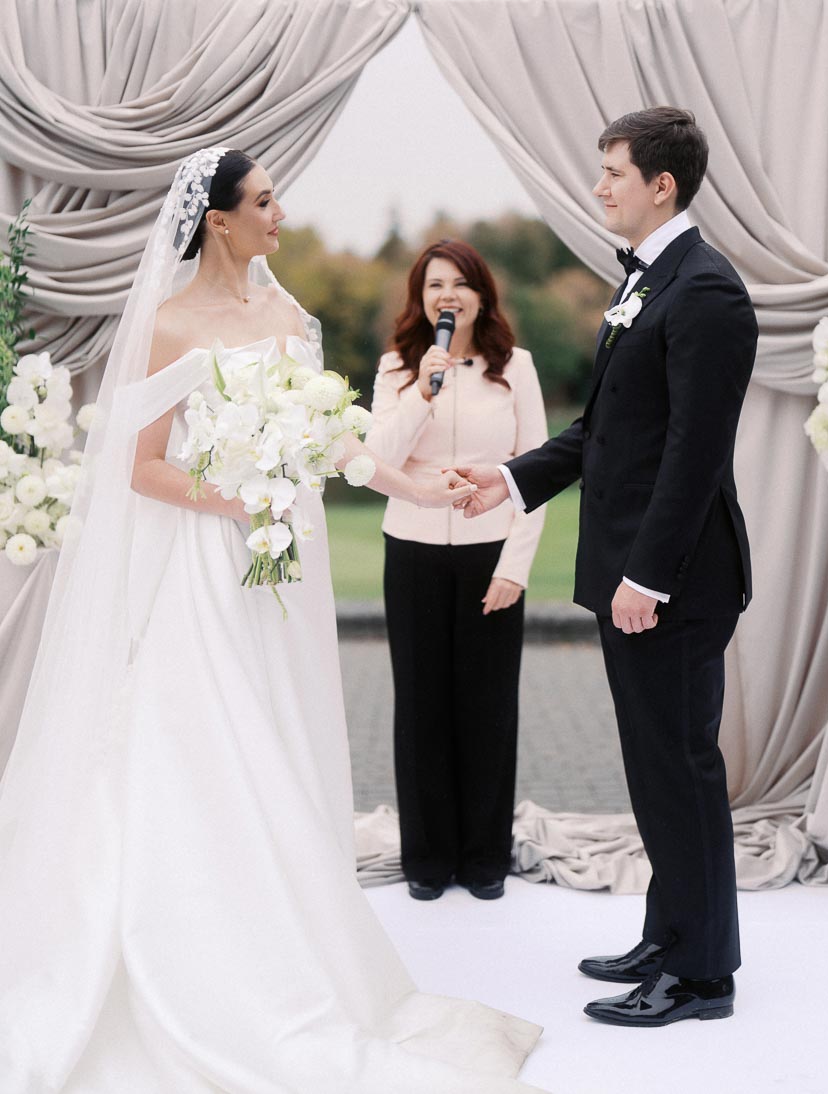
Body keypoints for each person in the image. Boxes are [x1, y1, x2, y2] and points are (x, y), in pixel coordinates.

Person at [0, 149, 546, 1092]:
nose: (280, 215)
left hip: (283, 577)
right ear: (218, 220)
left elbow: (335, 442)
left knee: (280, 739)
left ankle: (288, 941)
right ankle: (199, 959)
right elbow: (140, 467)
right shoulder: (170, 326)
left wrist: (413, 479)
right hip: (212, 568)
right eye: (264, 202)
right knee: (211, 745)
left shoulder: (292, 316)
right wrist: (240, 499)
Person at [456, 108, 758, 1028]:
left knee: (681, 768)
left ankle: (702, 977)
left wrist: (648, 577)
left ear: (661, 185)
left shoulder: (705, 291)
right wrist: (509, 480)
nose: (600, 187)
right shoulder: (650, 285)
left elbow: (692, 454)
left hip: (670, 583)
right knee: (656, 768)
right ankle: (671, 933)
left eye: (612, 172)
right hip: (633, 574)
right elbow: (605, 433)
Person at [366, 240, 547, 903]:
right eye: (434, 283)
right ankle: (428, 859)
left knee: (487, 706)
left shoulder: (514, 367)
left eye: (460, 282)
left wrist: (515, 567)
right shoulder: (396, 368)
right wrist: (421, 389)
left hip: (488, 552)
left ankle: (484, 858)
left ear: (481, 294)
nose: (447, 293)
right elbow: (375, 458)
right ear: (420, 298)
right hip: (410, 549)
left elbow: (536, 471)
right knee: (421, 706)